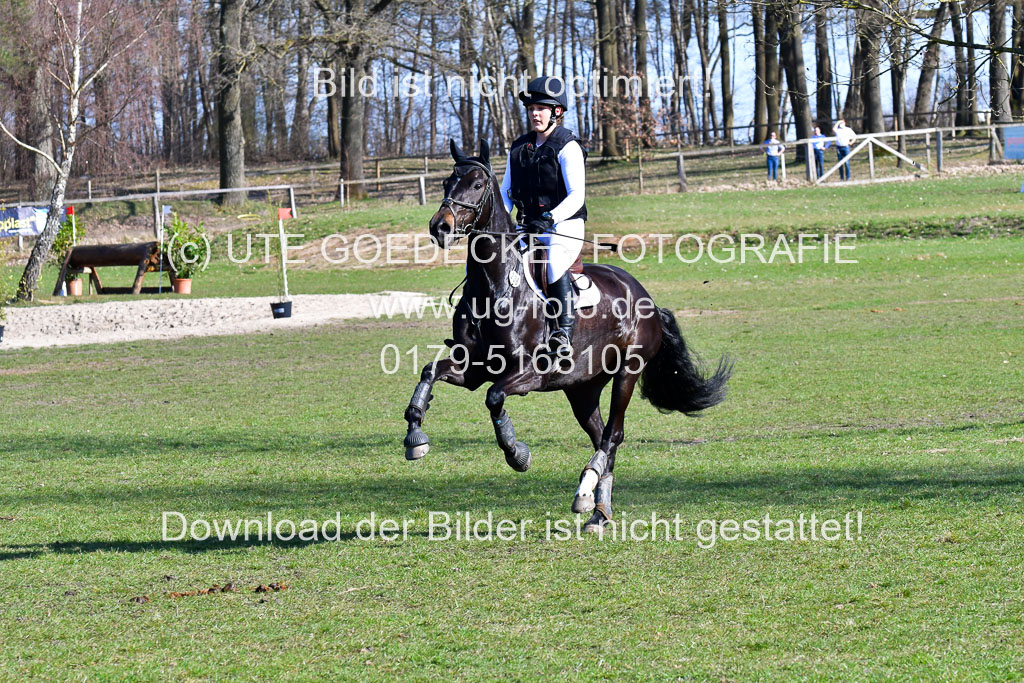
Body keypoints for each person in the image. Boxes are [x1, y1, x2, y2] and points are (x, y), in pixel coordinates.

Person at [499, 76, 587, 361]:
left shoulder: (567, 146)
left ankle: (563, 334)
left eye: (541, 108)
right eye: (531, 109)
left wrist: (550, 218)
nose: (534, 114)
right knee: (491, 259)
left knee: (553, 263)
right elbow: (506, 194)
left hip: (565, 227)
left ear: (556, 112)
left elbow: (576, 196)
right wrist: (497, 226)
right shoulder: (519, 148)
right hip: (527, 228)